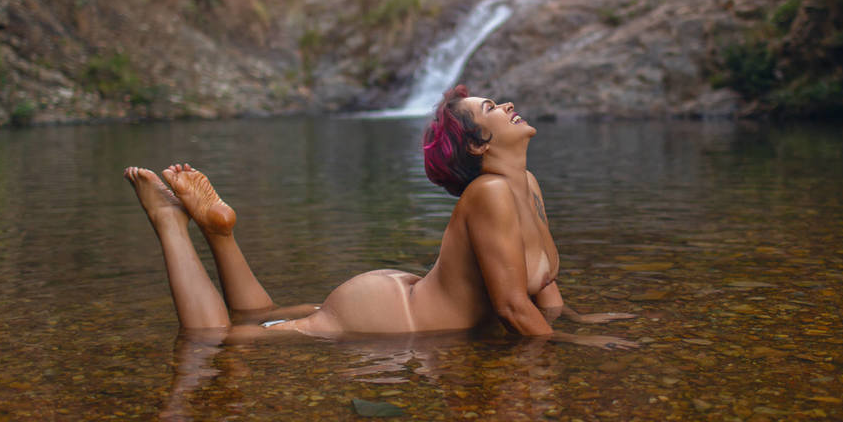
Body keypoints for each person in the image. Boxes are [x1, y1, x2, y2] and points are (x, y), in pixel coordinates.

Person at [123, 85, 635, 348]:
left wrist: (577, 319)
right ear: (479, 144)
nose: (509, 105)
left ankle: (220, 233)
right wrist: (574, 345)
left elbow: (541, 290)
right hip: (387, 316)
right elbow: (510, 308)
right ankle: (170, 225)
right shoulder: (491, 193)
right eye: (492, 108)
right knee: (219, 341)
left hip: (405, 294)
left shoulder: (526, 184)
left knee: (264, 315)